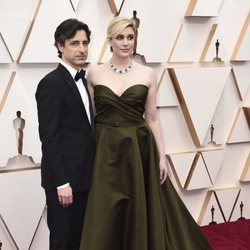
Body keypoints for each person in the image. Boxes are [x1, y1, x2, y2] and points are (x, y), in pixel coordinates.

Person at [80, 16, 211, 250]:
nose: (126, 42)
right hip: (106, 150)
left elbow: (152, 118)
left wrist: (162, 157)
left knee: (139, 205)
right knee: (106, 207)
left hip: (139, 148)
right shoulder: (93, 74)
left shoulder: (147, 74)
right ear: (109, 40)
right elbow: (92, 117)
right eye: (120, 37)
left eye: (130, 37)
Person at [35, 18, 94, 250]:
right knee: (62, 240)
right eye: (75, 43)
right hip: (65, 182)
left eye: (85, 43)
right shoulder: (50, 83)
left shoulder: (85, 81)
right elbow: (49, 137)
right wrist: (62, 183)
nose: (82, 49)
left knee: (80, 239)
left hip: (86, 178)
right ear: (61, 46)